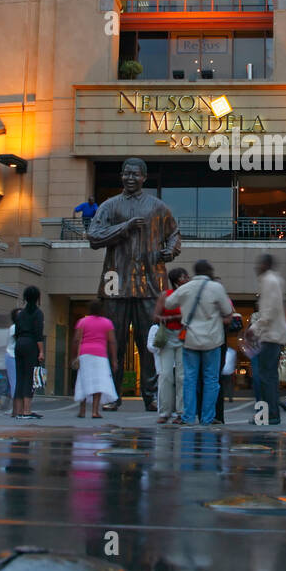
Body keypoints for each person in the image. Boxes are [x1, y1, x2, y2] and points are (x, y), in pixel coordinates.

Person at [87, 158, 182, 411]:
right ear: (121, 176)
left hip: (150, 281)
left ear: (143, 177)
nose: (130, 178)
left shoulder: (157, 207)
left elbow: (174, 234)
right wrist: (124, 227)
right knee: (113, 343)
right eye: (126, 174)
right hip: (115, 281)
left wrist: (169, 252)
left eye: (135, 174)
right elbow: (94, 237)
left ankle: (150, 396)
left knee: (149, 342)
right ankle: (111, 396)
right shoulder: (109, 206)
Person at [163, 259, 233, 426]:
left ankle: (188, 417)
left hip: (190, 339)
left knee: (189, 379)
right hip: (212, 340)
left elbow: (169, 303)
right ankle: (207, 418)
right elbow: (227, 311)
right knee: (211, 380)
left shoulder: (186, 288)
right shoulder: (216, 288)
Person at [249, 254, 286, 426]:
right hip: (272, 334)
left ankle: (268, 415)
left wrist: (254, 328)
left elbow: (269, 311)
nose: (257, 267)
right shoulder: (274, 280)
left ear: (265, 264)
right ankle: (270, 414)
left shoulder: (269, 281)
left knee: (265, 378)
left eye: (260, 263)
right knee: (268, 377)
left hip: (270, 335)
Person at [151, 267, 189, 424]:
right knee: (165, 374)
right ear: (177, 280)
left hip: (182, 335)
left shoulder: (187, 295)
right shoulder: (165, 295)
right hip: (168, 335)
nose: (187, 278)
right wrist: (172, 317)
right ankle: (164, 411)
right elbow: (154, 316)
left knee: (181, 376)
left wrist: (171, 316)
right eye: (184, 276)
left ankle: (181, 412)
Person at [73, 298, 118, 418]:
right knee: (98, 382)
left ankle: (82, 411)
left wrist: (74, 355)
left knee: (83, 380)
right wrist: (114, 360)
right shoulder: (107, 323)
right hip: (100, 355)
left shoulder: (82, 321)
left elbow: (77, 339)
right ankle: (94, 411)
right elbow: (112, 342)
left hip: (84, 354)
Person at [13, 286, 45, 420]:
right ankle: (27, 410)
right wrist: (41, 351)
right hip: (31, 344)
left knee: (20, 377)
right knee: (30, 377)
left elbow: (16, 331)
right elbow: (38, 334)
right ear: (37, 297)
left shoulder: (20, 314)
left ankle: (18, 411)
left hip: (19, 343)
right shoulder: (38, 313)